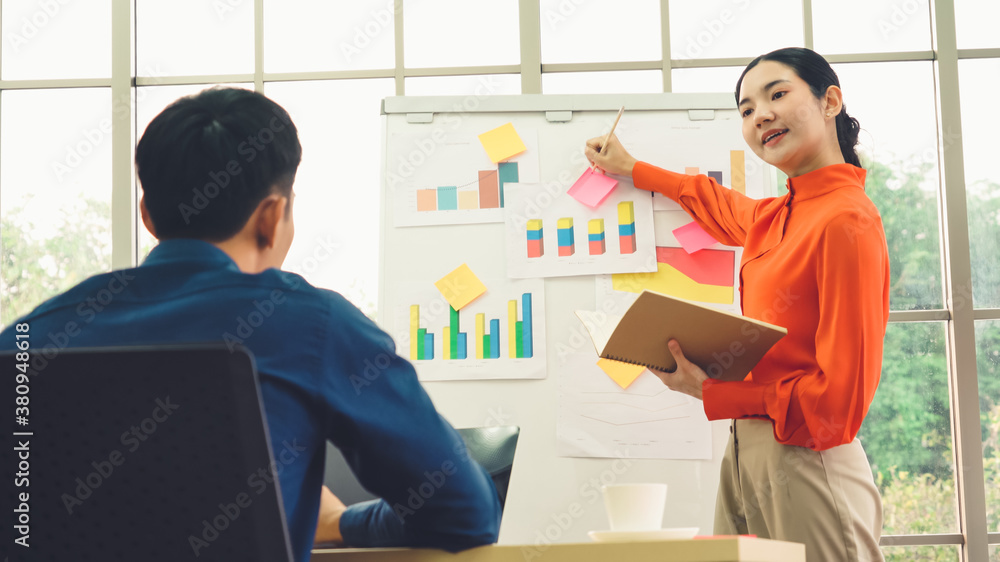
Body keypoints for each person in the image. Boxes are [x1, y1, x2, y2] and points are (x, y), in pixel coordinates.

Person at [0, 87, 500, 561]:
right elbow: (463, 513)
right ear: (272, 215)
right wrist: (342, 523)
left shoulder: (26, 339)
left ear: (148, 216)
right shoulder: (311, 325)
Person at [586, 47, 889, 562]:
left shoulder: (845, 221)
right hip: (749, 453)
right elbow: (713, 202)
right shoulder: (779, 217)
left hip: (808, 458)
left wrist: (716, 393)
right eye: (746, 109)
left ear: (829, 101)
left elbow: (837, 407)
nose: (760, 115)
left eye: (777, 94)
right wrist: (631, 168)